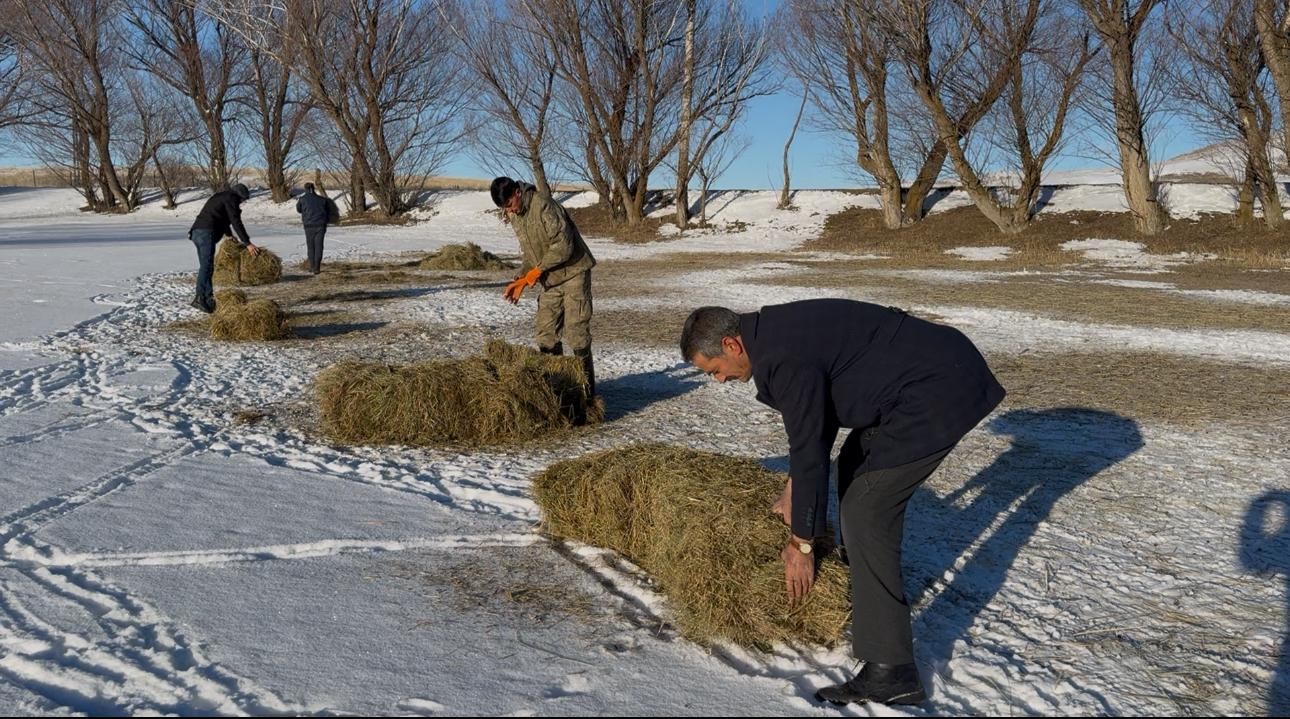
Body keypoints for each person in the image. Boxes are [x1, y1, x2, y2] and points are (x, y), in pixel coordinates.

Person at [678, 299, 1006, 706]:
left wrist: (802, 543)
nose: (719, 381)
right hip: (927, 375)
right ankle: (867, 582)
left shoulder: (782, 357)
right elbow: (814, 423)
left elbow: (810, 444)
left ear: (731, 344)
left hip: (938, 388)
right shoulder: (775, 335)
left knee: (867, 507)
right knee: (855, 460)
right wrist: (795, 486)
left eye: (714, 371)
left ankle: (892, 670)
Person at [490, 176, 597, 397]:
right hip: (551, 277)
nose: (509, 212)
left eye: (509, 205)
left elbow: (564, 245)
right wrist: (520, 279)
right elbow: (531, 254)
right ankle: (560, 388)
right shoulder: (516, 215)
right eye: (504, 209)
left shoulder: (544, 205)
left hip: (574, 271)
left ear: (517, 193)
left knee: (576, 332)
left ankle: (586, 395)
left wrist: (537, 272)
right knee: (545, 333)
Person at [188, 183, 260, 313]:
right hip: (206, 232)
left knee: (207, 266)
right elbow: (235, 220)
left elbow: (222, 218)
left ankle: (208, 299)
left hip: (197, 232)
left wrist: (229, 234)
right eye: (243, 199)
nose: (242, 202)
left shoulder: (222, 196)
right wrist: (247, 243)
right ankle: (200, 298)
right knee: (207, 266)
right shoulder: (231, 198)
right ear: (239, 195)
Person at [295, 182, 339, 274]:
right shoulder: (322, 199)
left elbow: (299, 210)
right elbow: (328, 211)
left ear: (305, 189)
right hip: (320, 225)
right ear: (314, 188)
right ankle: (317, 268)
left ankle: (311, 266)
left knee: (311, 247)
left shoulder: (302, 199)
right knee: (319, 246)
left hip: (308, 226)